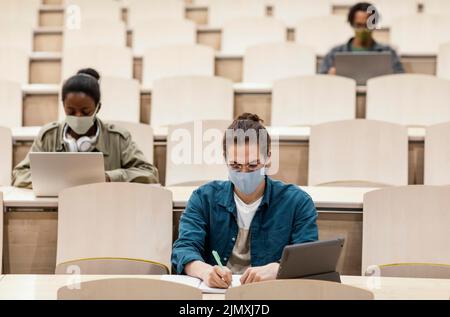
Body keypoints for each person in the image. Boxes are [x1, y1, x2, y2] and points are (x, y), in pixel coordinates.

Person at [172, 113, 318, 288]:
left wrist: (277, 268)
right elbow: (183, 249)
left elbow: (307, 257)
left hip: (272, 293)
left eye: (253, 165)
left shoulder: (297, 202)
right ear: (225, 159)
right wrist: (204, 271)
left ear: (268, 157)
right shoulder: (203, 198)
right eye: (235, 166)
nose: (244, 173)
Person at [12, 68, 159, 188]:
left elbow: (149, 173)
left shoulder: (117, 137)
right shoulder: (48, 135)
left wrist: (108, 177)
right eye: (70, 111)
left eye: (85, 111)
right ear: (63, 106)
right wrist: (55, 181)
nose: (78, 116)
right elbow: (19, 174)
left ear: (98, 108)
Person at [319, 2, 404, 75]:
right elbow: (321, 81)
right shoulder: (335, 53)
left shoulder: (388, 53)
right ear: (351, 24)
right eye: (359, 25)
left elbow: (399, 80)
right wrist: (330, 77)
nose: (363, 29)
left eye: (367, 25)